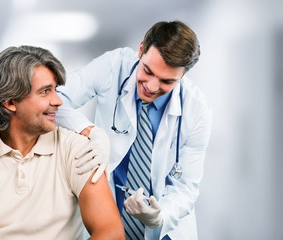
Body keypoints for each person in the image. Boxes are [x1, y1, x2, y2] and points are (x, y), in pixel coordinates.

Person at [0, 46, 125, 240]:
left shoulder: (76, 150)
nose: (58, 101)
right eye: (45, 91)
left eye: (55, 90)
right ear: (10, 102)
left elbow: (111, 233)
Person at [56, 20, 212, 240]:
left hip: (165, 231)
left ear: (183, 75)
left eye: (167, 81)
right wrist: (91, 131)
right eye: (147, 71)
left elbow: (186, 187)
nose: (152, 86)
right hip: (110, 219)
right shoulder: (114, 66)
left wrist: (159, 217)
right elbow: (56, 99)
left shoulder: (197, 111)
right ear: (141, 50)